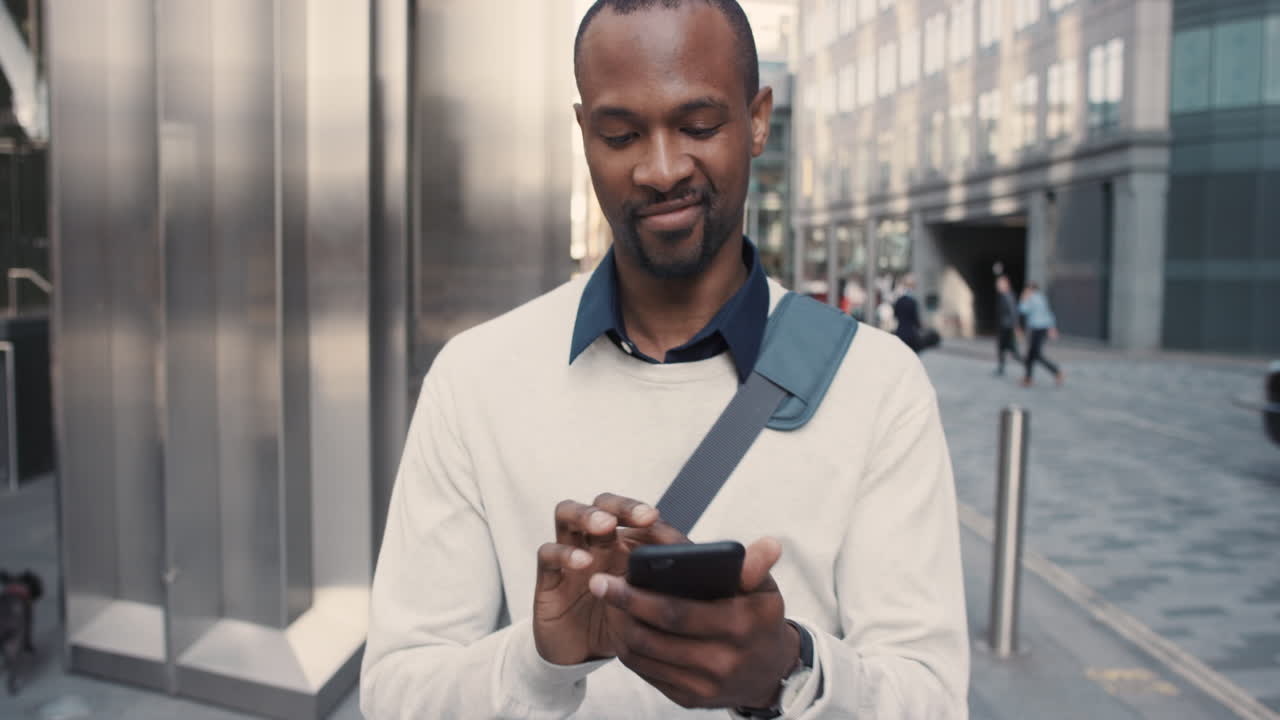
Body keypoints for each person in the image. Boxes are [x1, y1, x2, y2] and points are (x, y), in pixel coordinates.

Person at [360, 2, 968, 718]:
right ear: (584, 136)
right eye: (620, 135)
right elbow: (396, 692)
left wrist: (789, 672)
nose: (660, 169)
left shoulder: (879, 384)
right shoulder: (475, 377)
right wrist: (538, 661)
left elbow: (931, 697)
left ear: (759, 121)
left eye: (699, 126)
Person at [1019, 283, 1064, 387]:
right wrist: (1052, 327)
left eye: (1027, 290)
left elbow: (1022, 310)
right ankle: (1028, 378)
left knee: (1036, 355)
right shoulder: (1042, 298)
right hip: (1042, 329)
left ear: (1030, 290)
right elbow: (1048, 313)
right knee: (1031, 355)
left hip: (1036, 330)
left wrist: (1023, 298)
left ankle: (1057, 372)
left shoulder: (1031, 299)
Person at [892, 274, 939, 353]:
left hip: (900, 333)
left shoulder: (899, 301)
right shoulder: (912, 302)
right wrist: (923, 328)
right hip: (910, 335)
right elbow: (916, 320)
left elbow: (895, 315)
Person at [993, 275, 1023, 376]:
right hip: (1003, 327)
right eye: (998, 283)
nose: (998, 285)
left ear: (1006, 284)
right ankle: (1001, 369)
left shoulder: (1008, 296)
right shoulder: (1002, 296)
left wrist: (1016, 327)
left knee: (1013, 351)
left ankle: (1027, 365)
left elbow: (1014, 312)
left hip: (1008, 328)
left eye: (1000, 283)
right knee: (1001, 348)